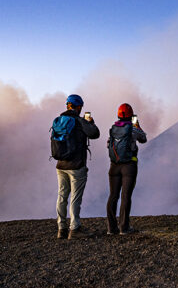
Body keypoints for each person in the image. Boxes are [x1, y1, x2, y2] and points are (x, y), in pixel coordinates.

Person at [53, 94, 100, 239]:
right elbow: (95, 134)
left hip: (60, 165)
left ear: (67, 105)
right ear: (78, 106)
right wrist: (90, 122)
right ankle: (75, 229)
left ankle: (61, 229)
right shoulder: (80, 121)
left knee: (62, 195)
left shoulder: (59, 120)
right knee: (75, 197)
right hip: (76, 166)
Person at [106, 103, 147, 235]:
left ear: (118, 114)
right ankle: (124, 227)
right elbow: (143, 139)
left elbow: (109, 144)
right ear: (131, 115)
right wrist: (137, 126)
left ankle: (111, 229)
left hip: (114, 166)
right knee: (125, 196)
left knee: (113, 196)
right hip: (129, 166)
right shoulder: (132, 129)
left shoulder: (112, 129)